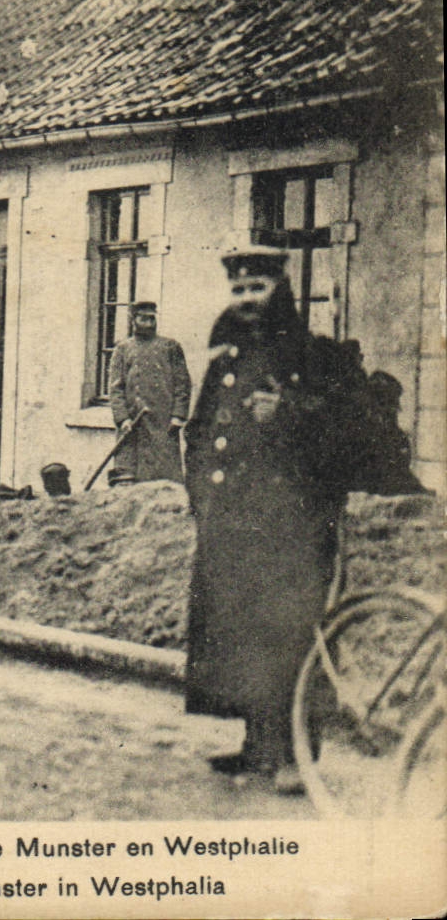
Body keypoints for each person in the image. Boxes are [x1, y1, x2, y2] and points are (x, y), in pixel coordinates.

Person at [183, 249, 368, 795]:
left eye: (256, 288)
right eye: (238, 291)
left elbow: (350, 430)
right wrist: (201, 499)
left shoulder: (313, 356)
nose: (245, 300)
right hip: (232, 522)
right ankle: (255, 746)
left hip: (292, 528)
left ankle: (295, 755)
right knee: (240, 633)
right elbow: (200, 432)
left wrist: (288, 413)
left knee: (289, 636)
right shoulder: (227, 360)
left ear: (280, 289)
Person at [106, 301, 191, 483]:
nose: (148, 323)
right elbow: (116, 389)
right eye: (143, 319)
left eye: (152, 319)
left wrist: (178, 416)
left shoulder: (170, 347)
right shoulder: (122, 349)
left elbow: (183, 385)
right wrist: (123, 419)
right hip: (132, 426)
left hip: (164, 424)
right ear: (133, 321)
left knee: (165, 481)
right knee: (128, 479)